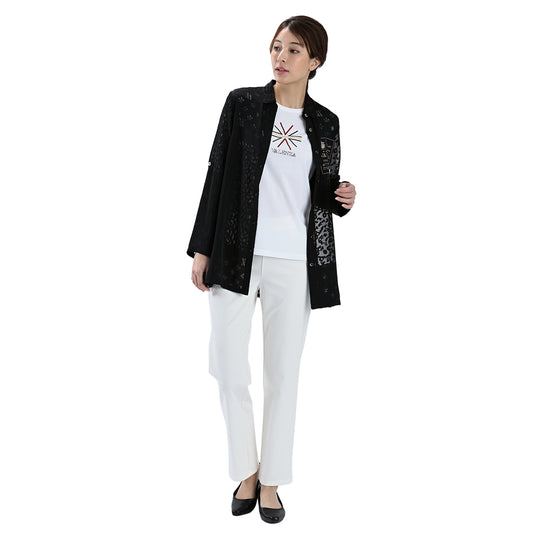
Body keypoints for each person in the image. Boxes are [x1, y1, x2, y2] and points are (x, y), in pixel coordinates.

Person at [187, 15, 356, 523]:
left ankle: (272, 480)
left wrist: (344, 197)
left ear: (315, 61)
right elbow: (217, 173)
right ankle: (246, 469)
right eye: (277, 47)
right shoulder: (242, 104)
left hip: (294, 261)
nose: (281, 57)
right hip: (234, 254)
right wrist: (201, 249)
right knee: (227, 365)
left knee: (283, 374)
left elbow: (320, 193)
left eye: (294, 50)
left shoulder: (326, 123)